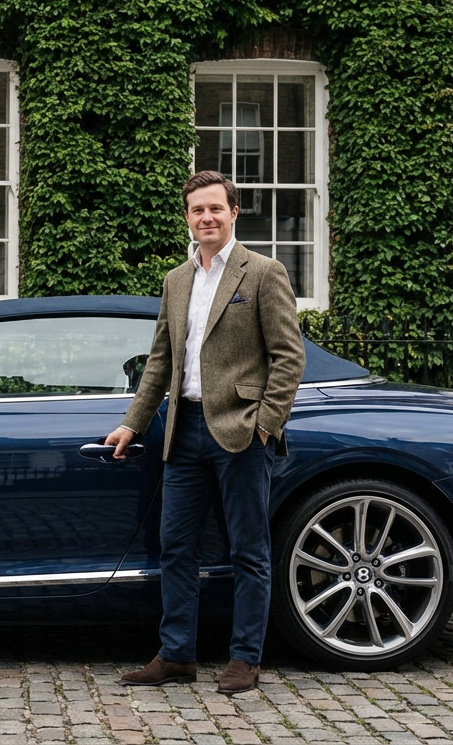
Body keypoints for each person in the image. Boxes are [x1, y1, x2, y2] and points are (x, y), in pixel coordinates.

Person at [106, 170, 305, 694]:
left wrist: (266, 424)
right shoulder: (177, 279)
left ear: (234, 212)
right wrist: (132, 422)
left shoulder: (262, 272)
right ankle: (176, 656)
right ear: (188, 218)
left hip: (241, 432)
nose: (207, 218)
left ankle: (245, 658)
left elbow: (289, 357)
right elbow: (160, 360)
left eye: (216, 208)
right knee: (176, 548)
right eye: (198, 210)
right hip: (184, 431)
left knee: (248, 551)